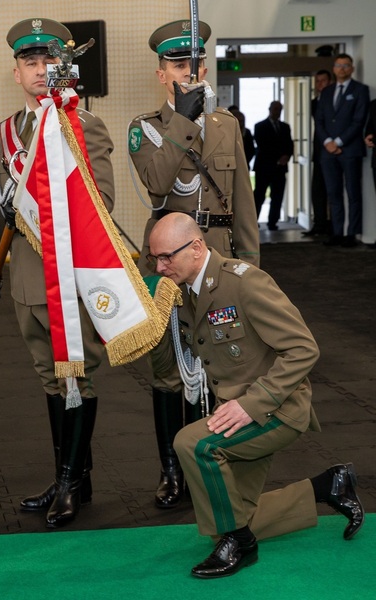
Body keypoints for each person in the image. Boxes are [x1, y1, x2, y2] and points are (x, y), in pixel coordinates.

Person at [148, 212, 364, 579]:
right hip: (236, 413)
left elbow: (303, 349)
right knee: (225, 521)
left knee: (191, 443)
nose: (159, 265)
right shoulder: (182, 293)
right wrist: (152, 321)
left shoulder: (244, 283)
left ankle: (241, 546)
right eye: (155, 257)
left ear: (197, 247)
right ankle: (327, 486)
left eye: (167, 256)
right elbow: (167, 368)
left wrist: (252, 405)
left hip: (276, 409)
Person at [0, 18, 115, 528]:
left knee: (75, 377)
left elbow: (99, 202)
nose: (39, 70)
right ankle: (74, 475)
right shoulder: (5, 132)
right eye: (29, 62)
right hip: (23, 281)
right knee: (48, 379)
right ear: (16, 73)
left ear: (64, 69)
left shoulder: (82, 124)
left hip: (68, 278)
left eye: (48, 61)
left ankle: (68, 483)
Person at [128, 19, 259, 509]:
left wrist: (252, 266)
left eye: (197, 63)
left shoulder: (228, 125)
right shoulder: (146, 128)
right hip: (166, 263)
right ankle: (172, 470)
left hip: (220, 257)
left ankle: (218, 460)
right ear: (162, 74)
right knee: (170, 370)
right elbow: (158, 186)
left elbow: (242, 201)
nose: (191, 71)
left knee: (229, 364)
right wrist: (183, 119)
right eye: (179, 65)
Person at [315, 53, 370, 247]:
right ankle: (337, 233)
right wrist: (329, 142)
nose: (342, 69)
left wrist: (338, 142)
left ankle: (352, 234)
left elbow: (359, 120)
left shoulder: (361, 90)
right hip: (327, 152)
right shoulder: (327, 91)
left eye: (346, 65)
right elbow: (319, 120)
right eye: (339, 65)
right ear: (334, 68)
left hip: (350, 150)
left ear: (352, 68)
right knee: (333, 193)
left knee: (353, 193)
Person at [253, 100, 294, 230]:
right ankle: (254, 221)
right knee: (259, 196)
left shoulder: (285, 127)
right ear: (270, 109)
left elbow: (289, 144)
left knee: (277, 196)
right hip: (264, 168)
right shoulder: (260, 126)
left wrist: (286, 156)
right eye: (275, 109)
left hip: (280, 169)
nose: (277, 112)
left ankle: (273, 222)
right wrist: (277, 158)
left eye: (279, 109)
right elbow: (263, 145)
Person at [302, 69, 332, 237]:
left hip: (334, 151)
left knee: (332, 191)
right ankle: (319, 224)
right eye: (317, 81)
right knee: (317, 190)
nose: (320, 84)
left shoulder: (335, 101)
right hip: (319, 152)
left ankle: (332, 226)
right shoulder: (315, 102)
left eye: (323, 81)